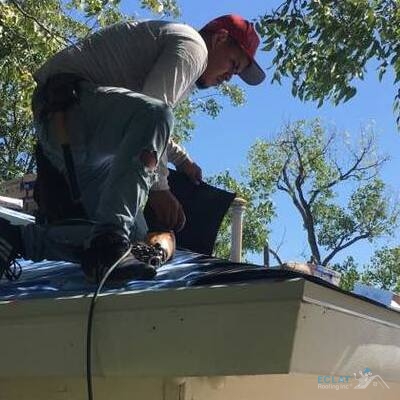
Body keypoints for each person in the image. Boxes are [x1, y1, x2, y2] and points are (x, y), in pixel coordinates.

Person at [0, 14, 265, 283]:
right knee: (115, 233)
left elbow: (144, 118)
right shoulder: (193, 45)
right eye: (233, 64)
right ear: (220, 37)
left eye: (236, 74)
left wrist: (182, 160)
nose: (230, 77)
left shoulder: (179, 61)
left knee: (141, 244)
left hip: (75, 134)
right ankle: (109, 241)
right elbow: (154, 111)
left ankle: (19, 239)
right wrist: (160, 188)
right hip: (68, 103)